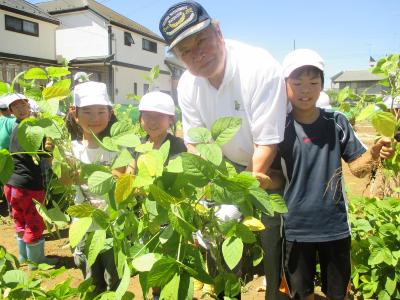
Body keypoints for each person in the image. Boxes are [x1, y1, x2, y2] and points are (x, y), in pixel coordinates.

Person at [159, 2, 288, 299]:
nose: (197, 55)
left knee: (273, 235)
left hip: (271, 164)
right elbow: (197, 142)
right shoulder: (189, 85)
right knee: (217, 238)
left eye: (201, 41)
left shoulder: (259, 66)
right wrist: (210, 191)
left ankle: (276, 292)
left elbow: (267, 143)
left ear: (218, 30)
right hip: (225, 166)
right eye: (185, 51)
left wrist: (238, 195)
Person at [279, 49, 395, 300]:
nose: (305, 90)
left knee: (338, 293)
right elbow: (277, 176)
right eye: (297, 83)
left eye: (313, 82)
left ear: (322, 85)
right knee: (301, 294)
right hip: (296, 227)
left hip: (335, 226)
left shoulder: (337, 122)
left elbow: (357, 169)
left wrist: (374, 154)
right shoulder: (279, 128)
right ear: (285, 85)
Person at [64, 81, 121, 296]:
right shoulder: (71, 149)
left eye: (100, 111)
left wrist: (90, 174)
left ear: (109, 113)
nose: (95, 118)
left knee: (115, 277)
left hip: (112, 224)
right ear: (75, 114)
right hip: (84, 225)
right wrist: (60, 161)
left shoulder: (116, 148)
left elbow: (124, 178)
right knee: (90, 279)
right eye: (87, 112)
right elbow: (65, 182)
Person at [132, 91, 187, 300]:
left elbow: (184, 183)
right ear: (140, 119)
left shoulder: (178, 146)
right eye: (147, 116)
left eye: (159, 116)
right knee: (152, 260)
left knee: (172, 260)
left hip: (171, 214)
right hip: (146, 217)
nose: (152, 122)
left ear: (170, 119)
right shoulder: (138, 145)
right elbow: (130, 175)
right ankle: (156, 295)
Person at [3, 93, 57, 269]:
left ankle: (23, 257)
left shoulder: (16, 125)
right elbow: (45, 158)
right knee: (34, 222)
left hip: (11, 184)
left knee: (20, 220)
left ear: (28, 106)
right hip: (27, 185)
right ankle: (36, 262)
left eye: (22, 105)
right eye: (15, 106)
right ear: (10, 110)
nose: (20, 108)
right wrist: (50, 146)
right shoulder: (32, 127)